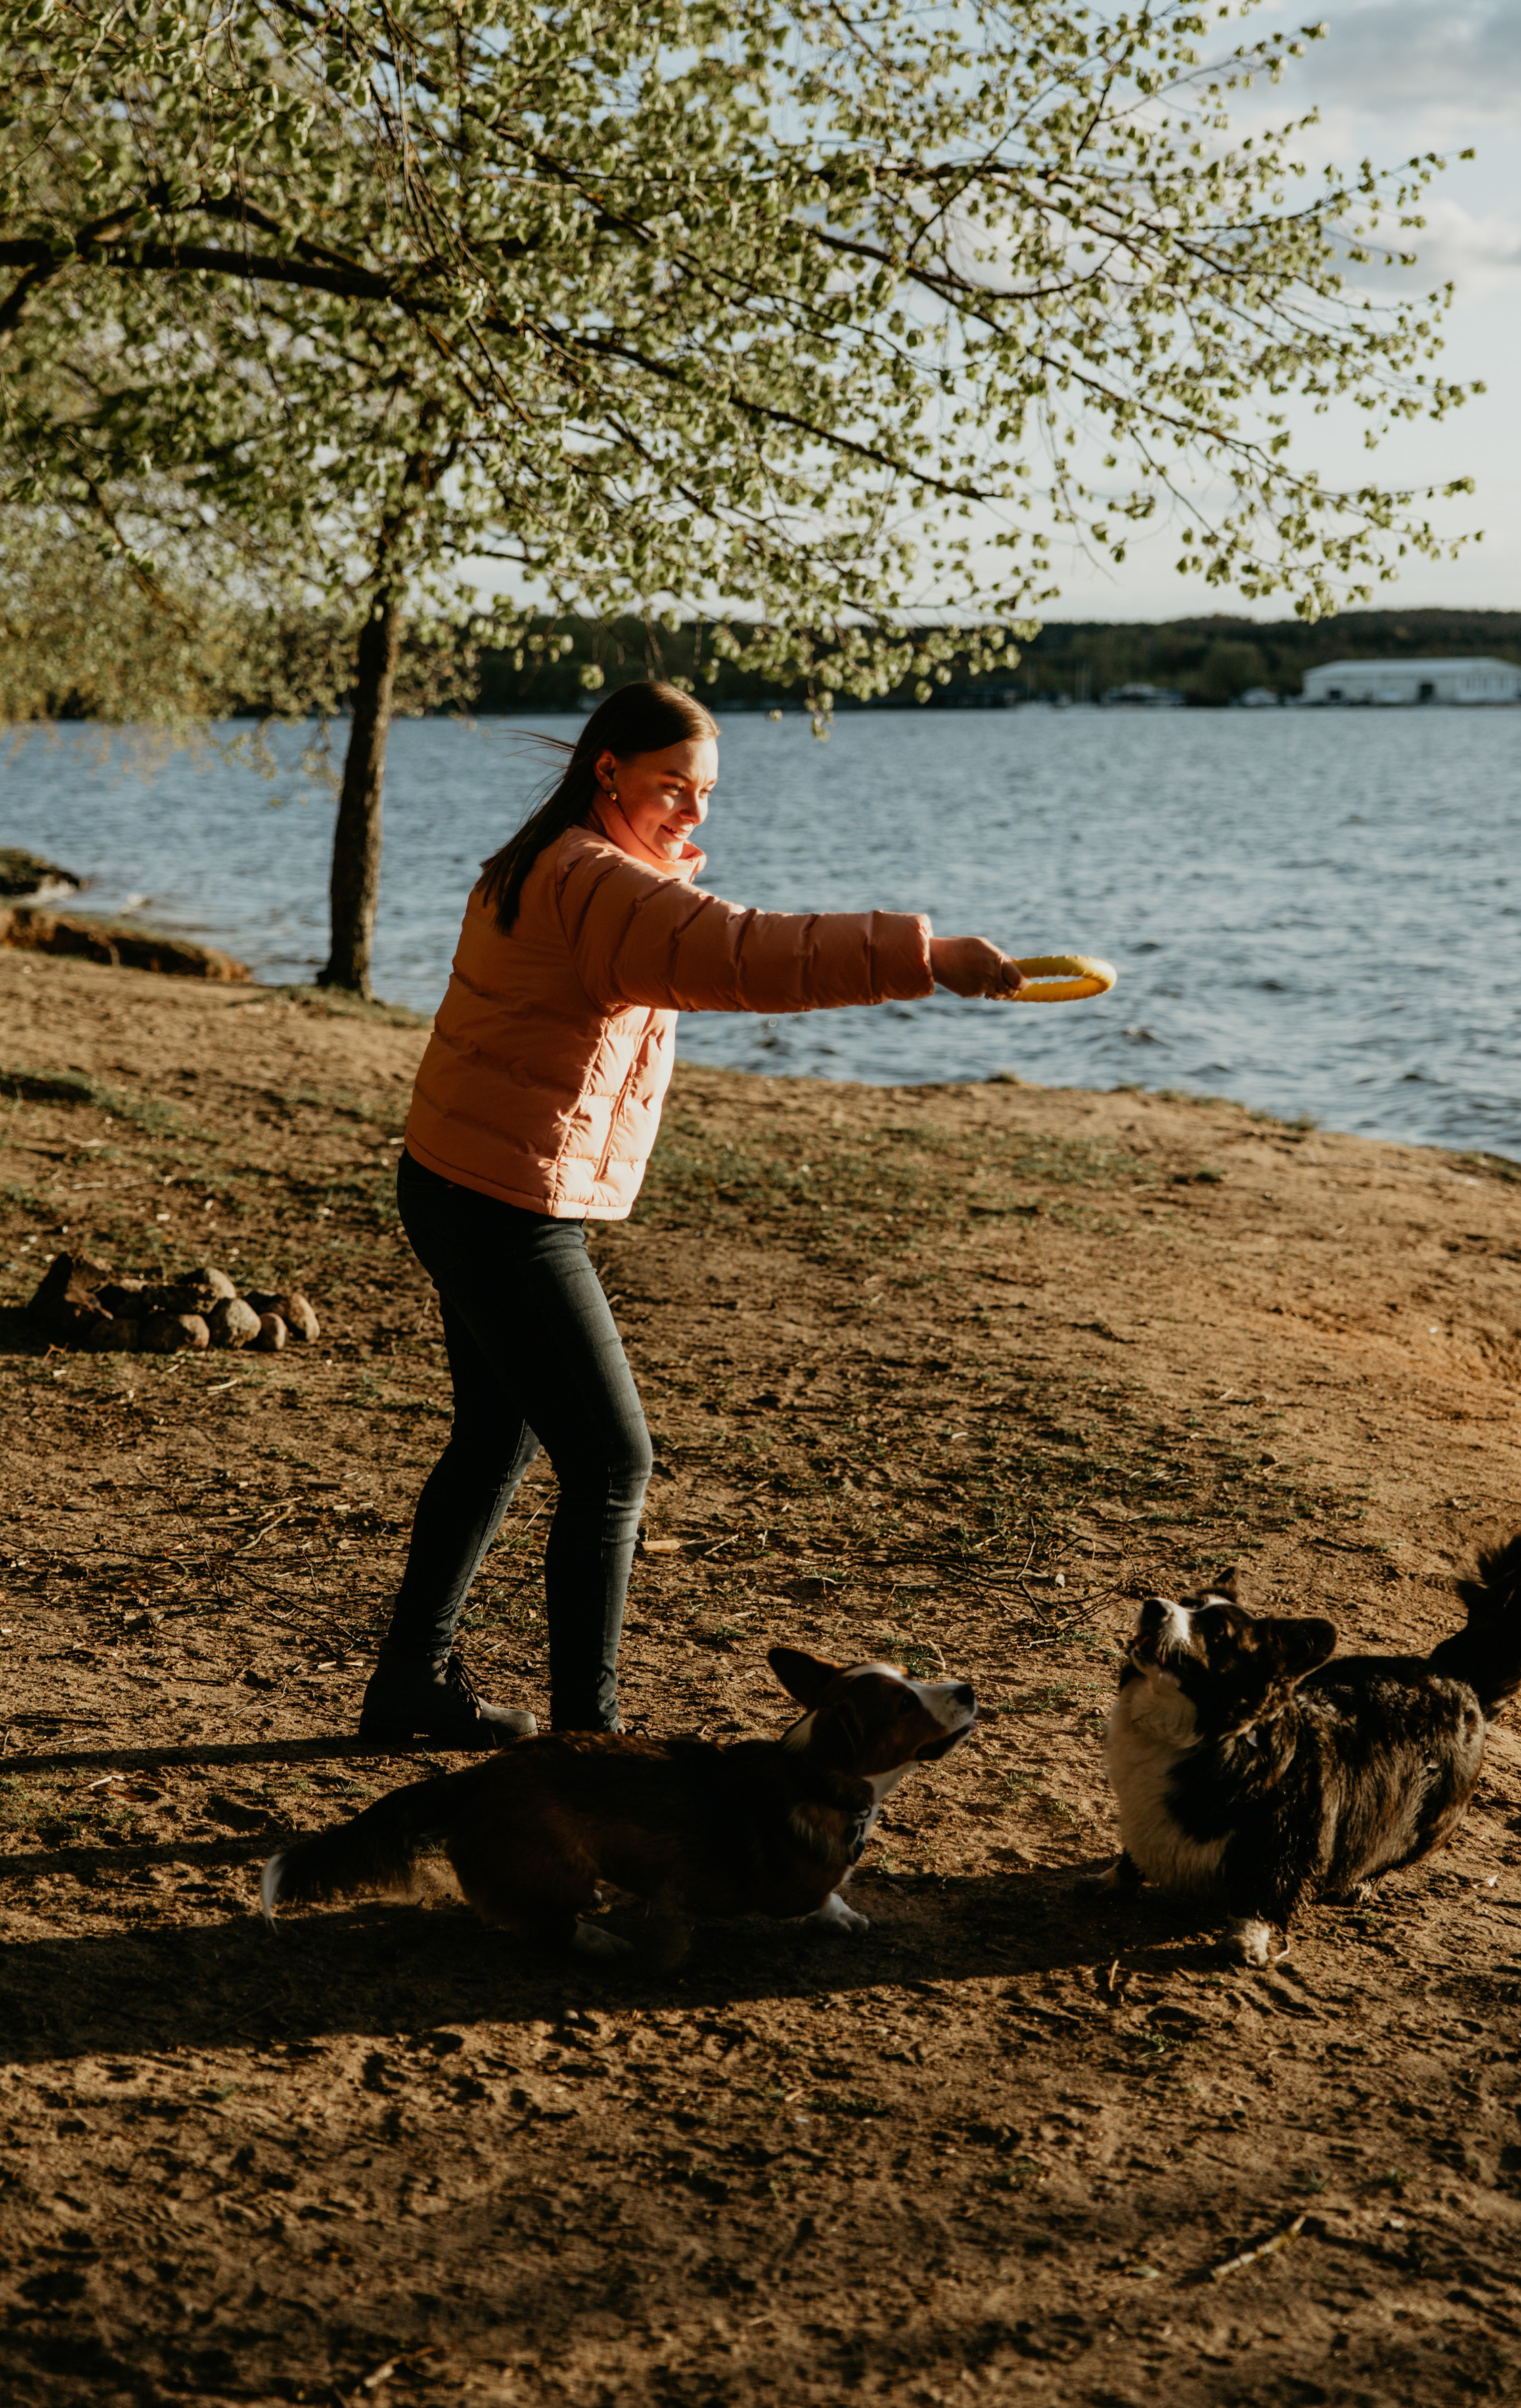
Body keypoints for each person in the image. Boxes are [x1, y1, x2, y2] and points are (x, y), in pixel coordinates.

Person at [358, 678, 1027, 1749]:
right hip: (498, 1205)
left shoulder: (557, 859)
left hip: (460, 1178)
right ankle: (591, 1749)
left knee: (495, 1440)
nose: (695, 810)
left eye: (707, 791)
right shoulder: (596, 881)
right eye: (675, 785)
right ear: (608, 770)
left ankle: (411, 1689)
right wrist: (928, 958)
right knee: (611, 1464)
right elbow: (748, 953)